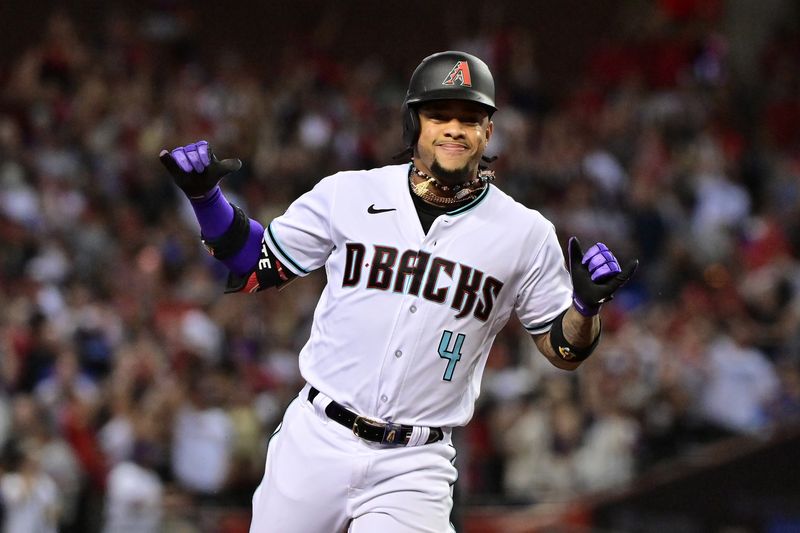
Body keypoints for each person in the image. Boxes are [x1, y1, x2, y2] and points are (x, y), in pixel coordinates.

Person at [159, 51, 637, 533]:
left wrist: (585, 306)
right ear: (415, 123)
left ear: (488, 131)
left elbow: (563, 349)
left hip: (414, 464)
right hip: (316, 440)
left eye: (469, 118)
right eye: (440, 115)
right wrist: (207, 201)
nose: (454, 128)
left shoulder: (524, 233)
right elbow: (256, 266)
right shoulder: (348, 192)